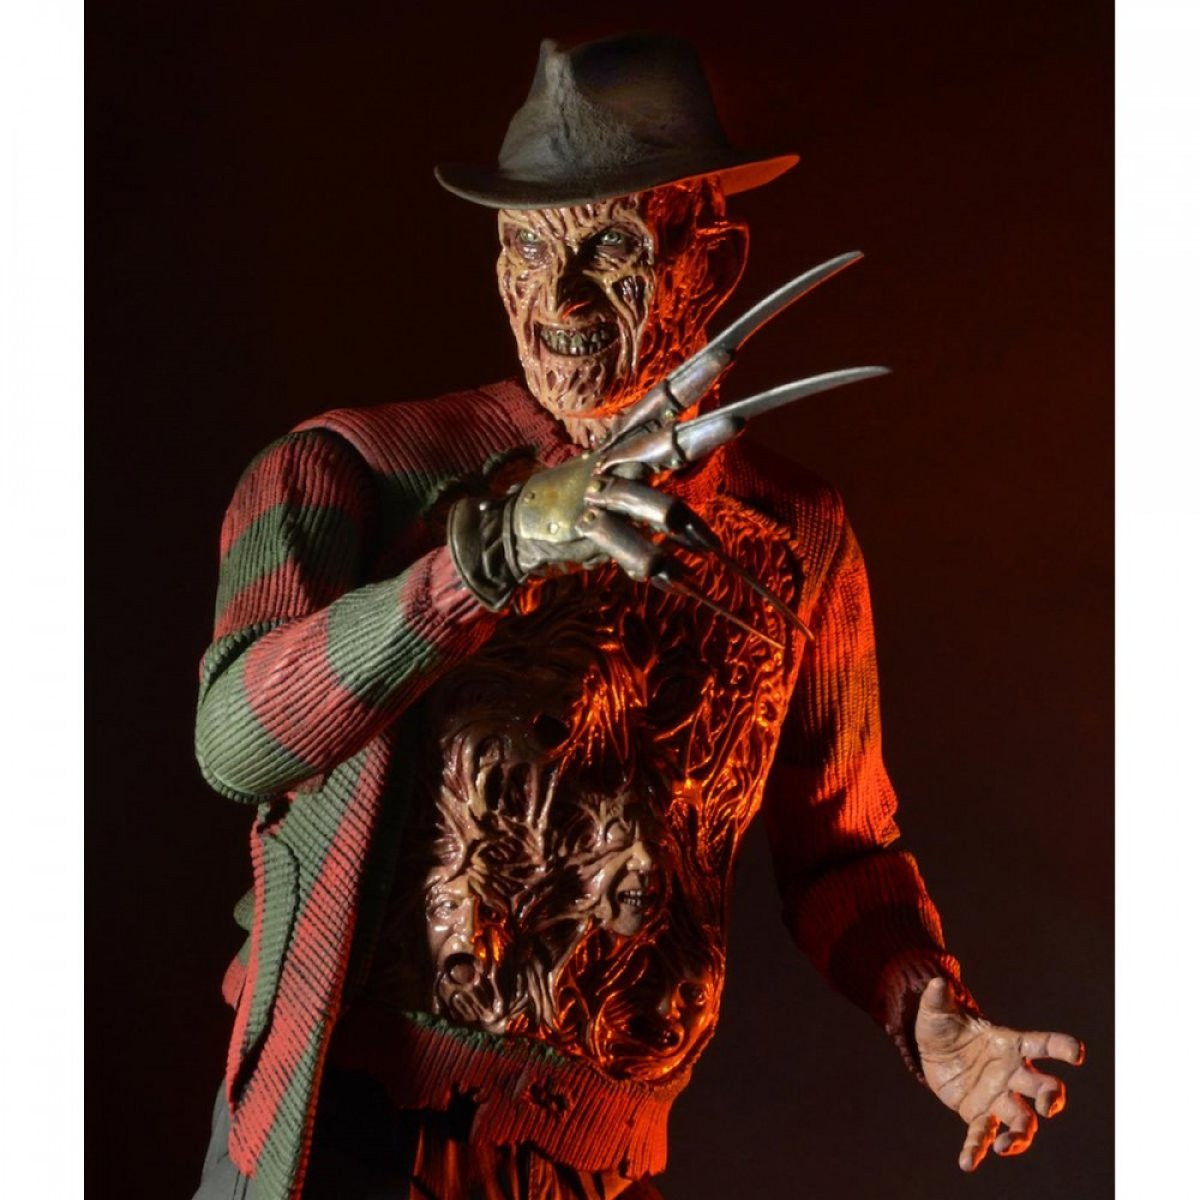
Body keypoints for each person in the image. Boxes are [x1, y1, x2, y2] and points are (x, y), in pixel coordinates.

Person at [191, 33, 1083, 1200]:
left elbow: (841, 852)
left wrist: (926, 1010)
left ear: (713, 262)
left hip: (606, 1165)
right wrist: (492, 553)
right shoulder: (351, 472)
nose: (556, 297)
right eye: (524, 245)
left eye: (608, 248)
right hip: (353, 1139)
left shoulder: (799, 542)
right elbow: (237, 740)